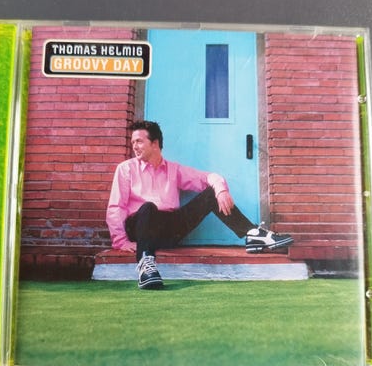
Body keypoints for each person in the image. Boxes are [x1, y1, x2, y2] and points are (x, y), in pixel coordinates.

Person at [106, 121, 293, 290]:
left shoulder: (174, 170)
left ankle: (252, 233)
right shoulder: (126, 169)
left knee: (211, 193)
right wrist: (121, 241)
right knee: (148, 207)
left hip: (168, 229)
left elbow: (207, 178)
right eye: (133, 142)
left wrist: (221, 190)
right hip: (140, 228)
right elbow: (116, 207)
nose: (134, 146)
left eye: (139, 141)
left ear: (155, 143)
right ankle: (146, 265)